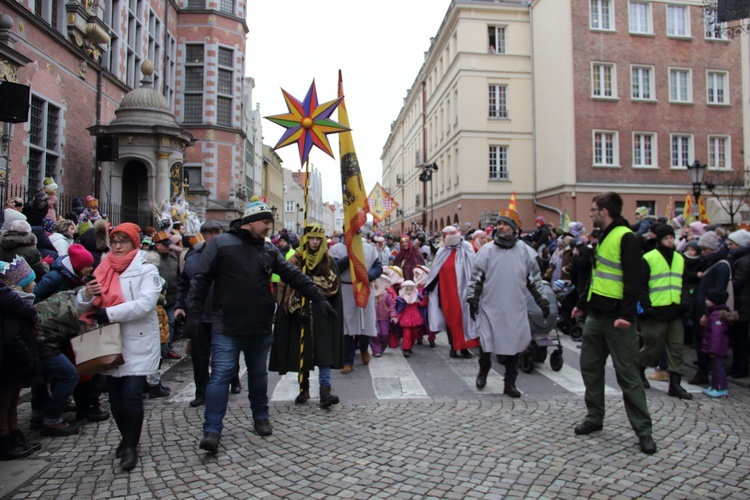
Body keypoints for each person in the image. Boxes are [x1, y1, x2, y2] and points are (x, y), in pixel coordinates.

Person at [185, 198, 337, 456]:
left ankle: (260, 417)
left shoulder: (269, 250)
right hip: (226, 326)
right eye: (266, 222)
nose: (269, 226)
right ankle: (212, 430)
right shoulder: (221, 245)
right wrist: (194, 316)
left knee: (258, 376)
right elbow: (200, 281)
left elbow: (294, 276)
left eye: (270, 222)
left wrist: (318, 298)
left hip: (260, 326)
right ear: (250, 221)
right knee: (220, 376)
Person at [571, 192, 656, 455]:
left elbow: (634, 279)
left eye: (594, 209)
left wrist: (627, 315)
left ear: (605, 211)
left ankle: (644, 431)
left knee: (628, 375)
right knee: (590, 368)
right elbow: (596, 276)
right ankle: (595, 418)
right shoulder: (604, 236)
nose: (591, 213)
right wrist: (582, 304)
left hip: (618, 318)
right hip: (597, 315)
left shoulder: (626, 237)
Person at [76, 222, 162, 471]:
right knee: (115, 400)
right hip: (110, 342)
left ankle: (131, 447)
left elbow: (145, 304)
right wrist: (86, 295)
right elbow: (86, 307)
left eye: (123, 241)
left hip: (138, 340)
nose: (117, 246)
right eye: (114, 241)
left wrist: (108, 314)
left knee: (132, 395)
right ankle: (126, 438)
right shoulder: (103, 269)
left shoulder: (147, 269)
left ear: (133, 243)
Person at [467, 210, 550, 397]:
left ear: (514, 229)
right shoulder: (487, 251)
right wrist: (473, 298)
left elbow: (534, 280)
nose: (501, 227)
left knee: (514, 345)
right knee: (487, 343)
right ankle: (484, 369)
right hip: (491, 305)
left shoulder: (526, 252)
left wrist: (543, 301)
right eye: (499, 224)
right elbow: (476, 277)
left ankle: (509, 383)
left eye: (505, 224)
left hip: (515, 306)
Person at [270, 223, 344, 408]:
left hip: (322, 313)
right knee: (302, 350)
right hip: (301, 313)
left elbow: (332, 285)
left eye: (318, 239)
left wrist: (309, 282)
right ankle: (304, 388)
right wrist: (293, 309)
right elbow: (285, 286)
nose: (314, 242)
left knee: (323, 352)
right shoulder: (296, 260)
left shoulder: (328, 261)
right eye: (311, 238)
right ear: (305, 239)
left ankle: (325, 391)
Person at [175, 220, 241, 408]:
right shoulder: (193, 256)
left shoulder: (230, 253)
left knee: (227, 351)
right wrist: (180, 305)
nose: (213, 235)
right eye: (209, 232)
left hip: (224, 313)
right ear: (203, 235)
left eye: (216, 231)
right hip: (199, 313)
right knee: (199, 356)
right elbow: (183, 284)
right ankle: (201, 392)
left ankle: (233, 378)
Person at [637, 225, 693, 400]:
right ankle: (639, 369)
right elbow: (642, 285)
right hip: (655, 311)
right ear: (659, 240)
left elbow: (683, 283)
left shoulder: (679, 258)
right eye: (666, 238)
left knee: (676, 348)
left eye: (671, 237)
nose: (670, 241)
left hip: (675, 310)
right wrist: (646, 307)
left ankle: (675, 384)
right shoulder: (649, 258)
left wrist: (685, 301)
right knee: (653, 346)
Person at [0, 265, 42, 459]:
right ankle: (6, 439)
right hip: (11, 357)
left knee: (12, 399)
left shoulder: (11, 298)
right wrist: (25, 356)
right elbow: (11, 335)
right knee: (6, 399)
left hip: (15, 356)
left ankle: (15, 434)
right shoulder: (9, 302)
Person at [328, 232, 382, 374]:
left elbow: (378, 267)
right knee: (346, 326)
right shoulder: (336, 249)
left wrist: (368, 276)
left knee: (366, 322)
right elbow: (334, 268)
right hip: (345, 289)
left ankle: (364, 348)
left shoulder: (369, 248)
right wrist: (349, 257)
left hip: (364, 288)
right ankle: (348, 360)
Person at [425, 225, 479, 358]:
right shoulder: (442, 251)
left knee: (464, 318)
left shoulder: (466, 248)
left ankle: (465, 346)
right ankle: (454, 346)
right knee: (450, 318)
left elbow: (473, 267)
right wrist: (429, 286)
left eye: (444, 236)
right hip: (446, 290)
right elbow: (435, 270)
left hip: (464, 291)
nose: (442, 239)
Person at [688, 231, 731, 385]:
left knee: (708, 344)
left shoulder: (721, 266)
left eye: (706, 249)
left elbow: (718, 291)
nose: (703, 252)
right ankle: (703, 371)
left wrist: (707, 313)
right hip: (702, 308)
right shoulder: (710, 262)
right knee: (701, 342)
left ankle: (706, 374)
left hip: (709, 312)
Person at [701, 289, 737, 398]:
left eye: (708, 300)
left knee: (718, 369)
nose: (706, 301)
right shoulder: (714, 314)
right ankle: (714, 386)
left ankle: (721, 388)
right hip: (714, 348)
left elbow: (716, 336)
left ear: (714, 302)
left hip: (717, 349)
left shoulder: (717, 317)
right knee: (715, 368)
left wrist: (713, 350)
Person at [152, 230, 181, 360]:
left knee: (170, 322)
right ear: (157, 245)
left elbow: (178, 274)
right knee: (157, 324)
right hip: (157, 298)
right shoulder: (151, 258)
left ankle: (168, 348)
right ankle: (158, 348)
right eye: (164, 244)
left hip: (172, 295)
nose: (167, 247)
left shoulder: (173, 256)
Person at [726, 230, 750, 379]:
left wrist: (724, 287)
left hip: (743, 304)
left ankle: (741, 367)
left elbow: (737, 283)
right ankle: (737, 365)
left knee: (741, 337)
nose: (729, 246)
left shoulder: (745, 261)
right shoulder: (738, 258)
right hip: (739, 303)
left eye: (732, 244)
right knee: (736, 336)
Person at [395, 280, 427, 357]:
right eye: (407, 289)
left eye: (411, 289)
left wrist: (425, 298)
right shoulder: (402, 299)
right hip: (406, 319)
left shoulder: (416, 297)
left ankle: (410, 347)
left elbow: (421, 304)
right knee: (407, 335)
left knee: (413, 335)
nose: (409, 291)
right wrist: (397, 318)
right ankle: (406, 349)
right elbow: (400, 310)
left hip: (415, 318)